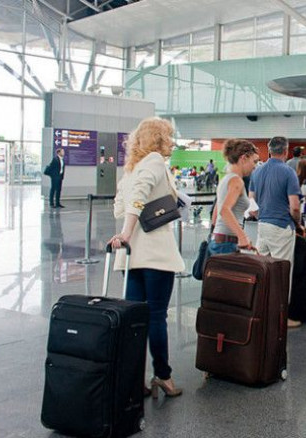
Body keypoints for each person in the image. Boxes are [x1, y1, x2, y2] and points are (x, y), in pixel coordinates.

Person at [108, 117, 184, 399]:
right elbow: (138, 199)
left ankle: (134, 379)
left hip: (132, 258)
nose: (172, 142)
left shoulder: (131, 168)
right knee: (156, 317)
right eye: (169, 136)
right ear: (158, 139)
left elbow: (119, 207)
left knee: (136, 320)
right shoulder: (154, 161)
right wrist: (128, 231)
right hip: (156, 254)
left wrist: (128, 229)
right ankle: (163, 376)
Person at [249, 136, 302, 327]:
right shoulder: (288, 172)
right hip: (281, 227)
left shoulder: (257, 171)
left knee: (262, 271)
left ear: (269, 150)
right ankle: (280, 319)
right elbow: (294, 206)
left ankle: (261, 312)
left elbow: (251, 204)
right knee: (281, 273)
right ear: (286, 151)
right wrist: (298, 222)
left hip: (262, 226)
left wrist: (262, 216)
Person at [209, 139, 259, 255]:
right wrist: (242, 237)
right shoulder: (236, 181)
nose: (255, 166)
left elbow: (217, 212)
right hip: (226, 243)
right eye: (254, 161)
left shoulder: (226, 179)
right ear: (244, 158)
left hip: (220, 240)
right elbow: (224, 210)